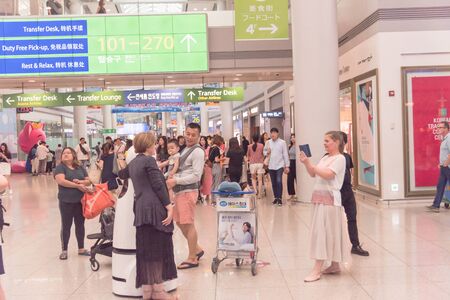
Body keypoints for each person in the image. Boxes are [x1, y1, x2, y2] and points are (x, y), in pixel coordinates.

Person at [118, 132, 177, 300]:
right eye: (154, 144)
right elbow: (159, 186)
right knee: (158, 249)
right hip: (155, 210)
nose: (156, 146)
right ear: (149, 145)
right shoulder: (149, 161)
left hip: (141, 210)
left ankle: (148, 292)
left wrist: (120, 157)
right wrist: (169, 206)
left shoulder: (134, 162)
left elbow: (121, 174)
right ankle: (158, 292)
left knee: (146, 251)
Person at [299, 131, 347, 282]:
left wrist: (313, 166)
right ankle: (334, 265)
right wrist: (307, 163)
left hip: (331, 201)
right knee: (327, 232)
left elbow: (328, 174)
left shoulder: (340, 159)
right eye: (324, 141)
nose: (324, 143)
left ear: (337, 142)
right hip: (319, 199)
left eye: (327, 141)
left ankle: (317, 269)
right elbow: (313, 174)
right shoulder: (325, 157)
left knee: (324, 233)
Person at [166, 123, 205, 270]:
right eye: (187, 134)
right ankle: (197, 249)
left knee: (188, 223)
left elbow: (196, 176)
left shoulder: (198, 152)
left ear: (198, 136)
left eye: (193, 135)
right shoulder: (184, 150)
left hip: (188, 192)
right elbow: (179, 169)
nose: (189, 137)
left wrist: (176, 180)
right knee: (180, 222)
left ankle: (192, 258)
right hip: (179, 192)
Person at [54, 147, 91, 260]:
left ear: (73, 155)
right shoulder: (60, 167)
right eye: (64, 153)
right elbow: (61, 181)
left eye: (68, 153)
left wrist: (81, 182)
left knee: (80, 225)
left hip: (80, 201)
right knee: (66, 226)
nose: (66, 154)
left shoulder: (80, 167)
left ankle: (81, 248)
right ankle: (64, 250)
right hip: (66, 201)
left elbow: (88, 180)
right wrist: (77, 186)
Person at [339, 132, 369, 256]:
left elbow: (349, 171)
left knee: (352, 218)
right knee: (332, 221)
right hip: (336, 191)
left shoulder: (347, 157)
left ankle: (355, 245)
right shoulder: (327, 157)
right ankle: (333, 248)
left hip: (347, 191)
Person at [427, 121, 450, 212]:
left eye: (440, 127)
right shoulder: (444, 139)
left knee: (441, 185)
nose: (438, 129)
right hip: (444, 167)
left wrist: (446, 163)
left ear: (446, 128)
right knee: (440, 186)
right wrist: (441, 163)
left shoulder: (449, 138)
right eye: (438, 127)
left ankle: (436, 205)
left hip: (448, 167)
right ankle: (436, 205)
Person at [265, 128, 289, 206]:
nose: (273, 134)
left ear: (277, 133)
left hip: (280, 165)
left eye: (274, 132)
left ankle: (280, 198)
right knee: (273, 182)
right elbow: (264, 152)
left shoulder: (282, 142)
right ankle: (276, 197)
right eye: (271, 133)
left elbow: (285, 154)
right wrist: (266, 152)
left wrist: (287, 165)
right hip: (271, 165)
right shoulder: (268, 142)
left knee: (279, 181)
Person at [209, 135, 224, 205]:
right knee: (217, 183)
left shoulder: (211, 148)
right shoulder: (217, 149)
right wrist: (223, 159)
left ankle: (212, 200)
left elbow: (211, 159)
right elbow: (216, 159)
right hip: (217, 166)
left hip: (212, 167)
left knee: (213, 184)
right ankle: (217, 200)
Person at [200, 136, 212, 202]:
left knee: (207, 181)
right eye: (201, 140)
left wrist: (206, 159)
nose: (202, 141)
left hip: (207, 166)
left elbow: (209, 157)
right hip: (200, 166)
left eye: (203, 140)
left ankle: (208, 194)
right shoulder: (199, 148)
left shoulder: (208, 148)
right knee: (202, 181)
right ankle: (201, 194)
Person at [287, 134, 297, 200]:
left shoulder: (298, 146)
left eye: (294, 137)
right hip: (291, 162)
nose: (292, 139)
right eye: (291, 138)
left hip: (297, 163)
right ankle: (291, 194)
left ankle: (299, 194)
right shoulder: (290, 146)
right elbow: (288, 155)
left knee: (297, 179)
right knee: (290, 179)